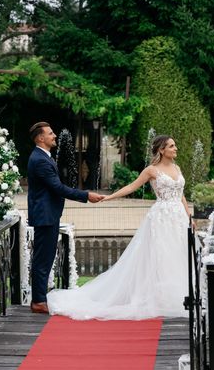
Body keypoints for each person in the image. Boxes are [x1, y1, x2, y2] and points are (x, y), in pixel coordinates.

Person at [46, 135, 195, 320]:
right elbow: (131, 187)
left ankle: (178, 297)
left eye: (175, 145)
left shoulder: (177, 168)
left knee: (178, 255)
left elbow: (181, 195)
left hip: (178, 218)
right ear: (161, 150)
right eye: (172, 146)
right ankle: (158, 299)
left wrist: (189, 216)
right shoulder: (152, 170)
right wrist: (109, 197)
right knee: (160, 256)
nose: (176, 148)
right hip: (161, 218)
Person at [27, 122, 105, 314]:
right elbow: (58, 188)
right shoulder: (40, 160)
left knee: (45, 258)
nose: (54, 136)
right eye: (50, 133)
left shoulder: (43, 157)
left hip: (48, 215)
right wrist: (86, 195)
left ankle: (39, 298)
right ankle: (38, 301)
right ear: (40, 138)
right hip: (45, 216)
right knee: (42, 260)